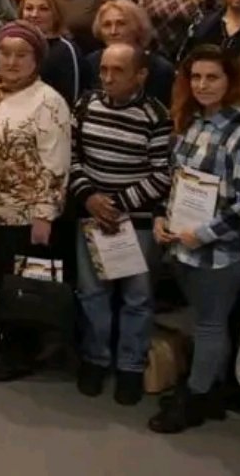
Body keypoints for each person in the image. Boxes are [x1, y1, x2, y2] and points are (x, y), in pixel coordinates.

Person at [149, 45, 240, 433]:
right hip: (183, 244)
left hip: (222, 252)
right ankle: (211, 389)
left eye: (212, 77)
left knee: (210, 325)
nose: (202, 85)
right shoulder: (193, 123)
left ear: (230, 81)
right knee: (205, 322)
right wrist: (162, 219)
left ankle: (196, 398)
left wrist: (202, 234)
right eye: (196, 77)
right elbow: (176, 182)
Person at [0, 21, 71, 382]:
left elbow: (55, 164)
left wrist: (45, 214)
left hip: (22, 215)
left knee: (19, 287)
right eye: (5, 53)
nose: (11, 61)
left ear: (36, 59)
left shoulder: (48, 102)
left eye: (21, 55)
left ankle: (19, 353)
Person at [69, 41, 172, 404]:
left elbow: (162, 174)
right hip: (92, 216)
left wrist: (117, 205)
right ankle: (95, 359)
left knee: (137, 298)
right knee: (92, 293)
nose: (108, 78)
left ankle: (130, 366)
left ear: (140, 75)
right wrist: (89, 197)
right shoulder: (85, 105)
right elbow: (72, 156)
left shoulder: (156, 115)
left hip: (135, 221)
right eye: (104, 70)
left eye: (118, 71)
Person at [18, 0, 88, 104]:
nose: (34, 14)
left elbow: (71, 99)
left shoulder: (66, 50)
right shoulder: (16, 45)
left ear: (56, 13)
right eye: (29, 8)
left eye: (43, 9)